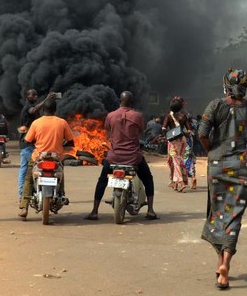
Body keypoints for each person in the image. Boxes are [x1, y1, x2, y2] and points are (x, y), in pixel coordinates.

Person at [198, 69, 247, 290]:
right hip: (243, 166)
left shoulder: (215, 105)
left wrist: (212, 151)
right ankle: (224, 264)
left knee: (217, 212)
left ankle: (220, 264)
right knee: (233, 215)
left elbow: (202, 133)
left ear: (226, 85)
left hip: (218, 166)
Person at [85, 91, 157, 220]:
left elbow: (108, 134)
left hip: (114, 157)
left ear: (119, 101)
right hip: (133, 158)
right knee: (148, 179)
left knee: (102, 181)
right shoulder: (137, 116)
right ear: (131, 102)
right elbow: (140, 132)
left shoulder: (111, 116)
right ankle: (150, 210)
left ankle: (94, 211)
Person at [18, 98, 74, 220]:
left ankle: (24, 207)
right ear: (55, 110)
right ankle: (62, 195)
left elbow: (27, 140)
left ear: (43, 110)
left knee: (28, 179)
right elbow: (70, 140)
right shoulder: (62, 122)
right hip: (56, 158)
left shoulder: (36, 123)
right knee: (60, 175)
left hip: (39, 157)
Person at [18, 89, 57, 197]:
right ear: (27, 96)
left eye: (36, 94)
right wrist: (47, 99)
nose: (35, 96)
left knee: (28, 169)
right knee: (28, 171)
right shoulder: (28, 107)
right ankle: (23, 194)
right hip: (27, 144)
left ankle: (34, 192)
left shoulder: (35, 110)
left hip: (34, 144)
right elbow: (33, 110)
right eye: (32, 94)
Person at [162, 97, 193, 192]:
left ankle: (181, 182)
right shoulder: (183, 117)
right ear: (180, 108)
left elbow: (163, 128)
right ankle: (176, 182)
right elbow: (189, 130)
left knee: (175, 161)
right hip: (182, 141)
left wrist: (166, 137)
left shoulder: (168, 116)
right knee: (178, 159)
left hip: (172, 141)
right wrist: (185, 133)